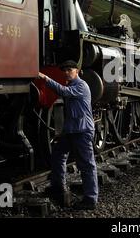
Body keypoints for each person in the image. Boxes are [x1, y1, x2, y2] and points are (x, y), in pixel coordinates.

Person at [38, 60, 98, 210]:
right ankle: (58, 186)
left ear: (77, 71)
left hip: (82, 131)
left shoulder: (81, 86)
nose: (66, 72)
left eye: (69, 69)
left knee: (87, 164)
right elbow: (70, 113)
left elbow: (64, 92)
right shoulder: (71, 85)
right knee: (58, 154)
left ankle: (90, 199)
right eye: (64, 70)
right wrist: (64, 131)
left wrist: (46, 78)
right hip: (71, 130)